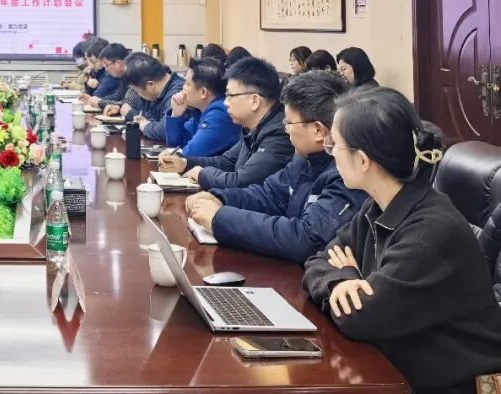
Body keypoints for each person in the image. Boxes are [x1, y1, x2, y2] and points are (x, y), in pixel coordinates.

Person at [303, 87, 501, 393]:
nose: (331, 154)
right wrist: (338, 283)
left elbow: (362, 318)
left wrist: (352, 276)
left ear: (363, 160)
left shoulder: (431, 232)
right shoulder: (378, 206)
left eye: (335, 145)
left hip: (460, 386)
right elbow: (318, 260)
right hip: (399, 369)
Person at [185, 70, 366, 263]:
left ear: (318, 130)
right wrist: (220, 198)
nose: (285, 129)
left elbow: (306, 239)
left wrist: (220, 218)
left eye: (289, 122)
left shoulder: (347, 173)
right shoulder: (303, 158)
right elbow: (269, 195)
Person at [161, 57, 294, 190]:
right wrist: (184, 163)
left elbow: (242, 181)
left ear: (255, 101)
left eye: (230, 95)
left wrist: (202, 174)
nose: (225, 102)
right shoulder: (252, 128)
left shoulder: (279, 134)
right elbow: (227, 162)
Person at [156, 57, 238, 158]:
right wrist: (176, 115)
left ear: (203, 92)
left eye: (187, 84)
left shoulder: (219, 114)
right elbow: (175, 145)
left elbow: (189, 154)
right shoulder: (201, 111)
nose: (183, 88)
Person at [112, 54, 184, 141]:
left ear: (150, 85)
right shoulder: (153, 93)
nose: (138, 95)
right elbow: (151, 118)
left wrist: (145, 126)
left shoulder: (177, 93)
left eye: (137, 91)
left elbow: (165, 130)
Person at [81, 42, 128, 108]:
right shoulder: (124, 77)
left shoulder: (133, 75)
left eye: (106, 65)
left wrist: (99, 102)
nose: (106, 70)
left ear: (118, 63)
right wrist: (93, 100)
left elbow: (127, 103)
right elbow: (118, 96)